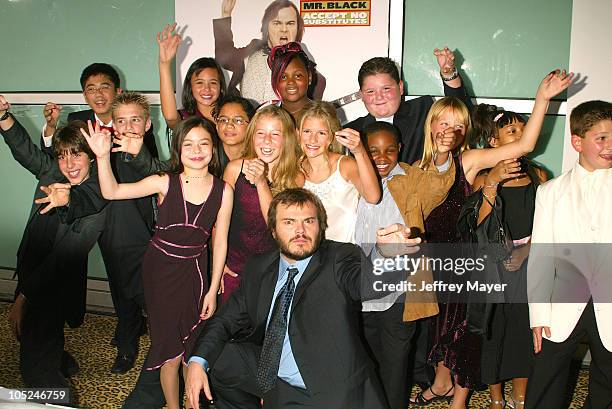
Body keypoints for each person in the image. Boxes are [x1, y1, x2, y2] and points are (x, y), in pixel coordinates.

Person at [413, 70, 572, 409]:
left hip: (465, 260)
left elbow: (525, 145)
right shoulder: (416, 166)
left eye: (458, 126)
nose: (450, 131)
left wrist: (542, 98)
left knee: (463, 331)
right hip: (432, 261)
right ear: (430, 125)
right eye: (444, 123)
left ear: (465, 133)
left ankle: (459, 399)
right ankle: (442, 383)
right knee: (438, 328)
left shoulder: (468, 159)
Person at [185, 188, 390, 409]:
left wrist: (386, 255)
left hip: (330, 390)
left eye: (309, 221)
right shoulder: (259, 267)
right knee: (210, 354)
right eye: (289, 222)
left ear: (320, 227)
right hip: (276, 380)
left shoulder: (339, 258)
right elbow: (225, 319)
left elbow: (368, 286)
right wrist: (197, 363)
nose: (300, 231)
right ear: (273, 230)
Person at [84, 114, 233, 409]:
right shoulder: (164, 181)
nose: (196, 149)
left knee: (193, 345)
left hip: (195, 271)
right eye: (188, 144)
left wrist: (214, 288)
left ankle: (193, 402)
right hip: (160, 270)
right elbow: (111, 192)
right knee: (169, 350)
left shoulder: (223, 190)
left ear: (213, 149)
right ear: (178, 149)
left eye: (204, 143)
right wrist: (102, 157)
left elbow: (219, 241)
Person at [45, 68, 160, 374]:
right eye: (90, 89)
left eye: (104, 87)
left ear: (117, 90)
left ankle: (130, 338)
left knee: (133, 282)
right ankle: (130, 326)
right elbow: (60, 159)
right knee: (115, 278)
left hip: (128, 217)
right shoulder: (78, 122)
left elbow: (154, 172)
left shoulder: (135, 126)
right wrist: (49, 132)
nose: (98, 94)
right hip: (91, 213)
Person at [2, 96, 107, 403]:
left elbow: (63, 259)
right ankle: (60, 361)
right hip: (33, 273)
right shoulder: (55, 174)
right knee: (41, 340)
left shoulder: (99, 199)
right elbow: (26, 152)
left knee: (35, 369)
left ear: (91, 156)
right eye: (63, 156)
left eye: (77, 156)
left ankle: (59, 399)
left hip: (51, 286)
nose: (69, 165)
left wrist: (23, 298)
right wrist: (3, 118)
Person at [355, 121, 456, 409]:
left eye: (389, 150)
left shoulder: (412, 178)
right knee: (363, 363)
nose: (382, 157)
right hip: (358, 289)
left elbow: (437, 186)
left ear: (400, 148)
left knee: (395, 366)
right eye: (373, 151)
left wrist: (440, 155)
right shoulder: (353, 177)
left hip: (400, 293)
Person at [458, 105, 548, 408]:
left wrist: (525, 250)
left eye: (523, 129)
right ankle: (496, 397)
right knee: (494, 331)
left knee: (524, 329)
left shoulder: (538, 175)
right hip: (493, 267)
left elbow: (549, 224)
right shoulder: (484, 176)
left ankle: (520, 395)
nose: (521, 135)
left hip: (528, 263)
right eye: (512, 131)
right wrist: (494, 180)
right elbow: (480, 225)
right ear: (494, 142)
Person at [525, 100, 612, 409]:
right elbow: (540, 259)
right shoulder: (550, 192)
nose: (609, 145)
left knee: (607, 387)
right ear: (577, 141)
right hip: (560, 308)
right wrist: (538, 315)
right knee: (545, 383)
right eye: (601, 138)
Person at [221, 104, 303, 302]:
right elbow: (219, 222)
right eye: (261, 133)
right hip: (234, 267)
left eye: (275, 134)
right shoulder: (234, 169)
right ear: (251, 136)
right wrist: (219, 262)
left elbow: (276, 224)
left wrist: (260, 182)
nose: (267, 140)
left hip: (272, 270)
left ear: (287, 139)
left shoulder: (296, 177)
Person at [344, 49, 472, 165]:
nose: (379, 97)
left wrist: (449, 74)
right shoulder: (353, 132)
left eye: (386, 89)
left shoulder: (422, 110)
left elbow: (461, 113)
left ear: (400, 87)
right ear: (361, 95)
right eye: (370, 91)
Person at [213, 0, 325, 104]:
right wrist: (225, 14)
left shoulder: (313, 77)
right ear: (266, 27)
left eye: (290, 23)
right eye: (277, 23)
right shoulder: (253, 50)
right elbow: (225, 58)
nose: (284, 29)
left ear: (298, 28)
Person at [300, 101, 381, 243]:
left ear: (331, 137)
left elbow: (373, 197)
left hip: (345, 257)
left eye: (321, 133)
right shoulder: (296, 170)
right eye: (307, 131)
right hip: (309, 257)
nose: (313, 139)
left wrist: (359, 150)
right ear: (298, 133)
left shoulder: (345, 165)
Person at [157, 23, 226, 127]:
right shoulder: (186, 118)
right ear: (190, 86)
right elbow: (171, 118)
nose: (207, 88)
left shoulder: (231, 114)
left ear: (220, 86)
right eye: (199, 82)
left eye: (213, 82)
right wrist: (164, 64)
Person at [266, 42, 316, 121]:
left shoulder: (324, 117)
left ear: (309, 77)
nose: (291, 82)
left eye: (297, 76)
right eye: (283, 77)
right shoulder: (265, 118)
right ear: (275, 80)